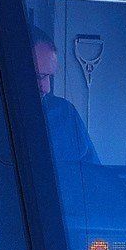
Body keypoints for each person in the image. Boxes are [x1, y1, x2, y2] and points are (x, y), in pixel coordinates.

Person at [32, 34, 99, 164]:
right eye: (39, 76)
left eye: (49, 77)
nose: (46, 88)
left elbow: (93, 175)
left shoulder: (65, 113)